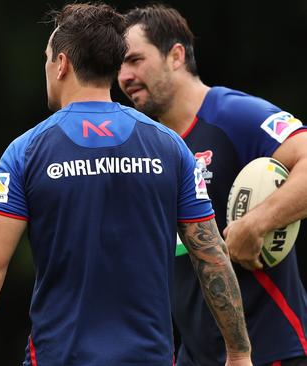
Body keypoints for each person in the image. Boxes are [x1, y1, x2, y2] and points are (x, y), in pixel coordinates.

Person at [0, 2, 252, 365]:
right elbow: (211, 255)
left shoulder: (27, 151)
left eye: (47, 58)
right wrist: (239, 352)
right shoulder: (170, 147)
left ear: (61, 64)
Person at [118, 4, 307, 366]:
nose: (124, 77)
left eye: (135, 60)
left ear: (175, 56)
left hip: (269, 350)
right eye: (119, 66)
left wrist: (257, 223)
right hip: (196, 356)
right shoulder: (147, 148)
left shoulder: (233, 115)